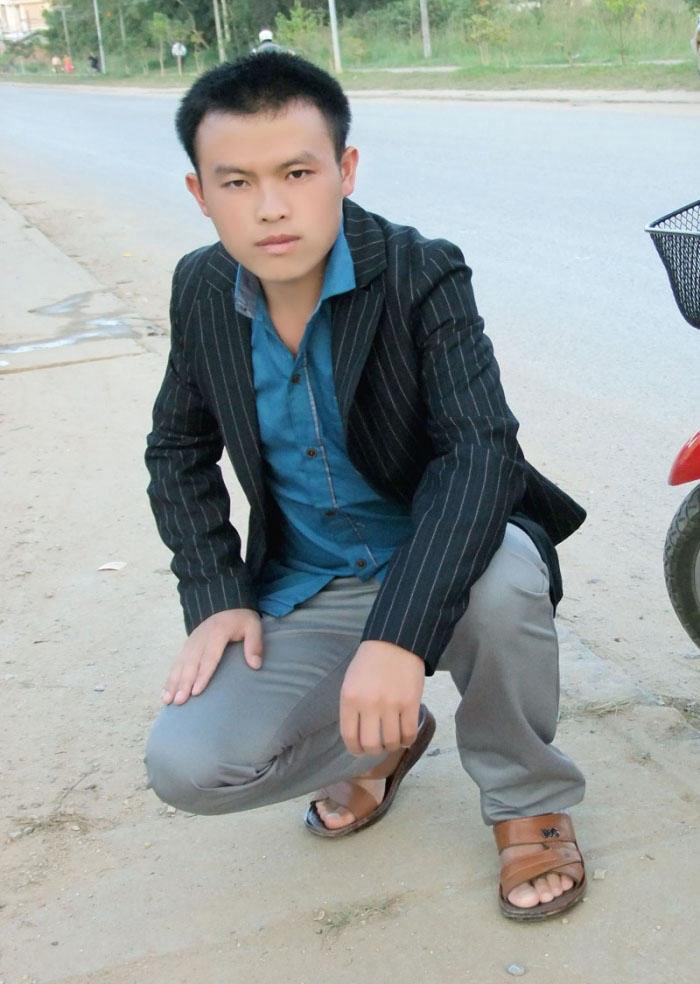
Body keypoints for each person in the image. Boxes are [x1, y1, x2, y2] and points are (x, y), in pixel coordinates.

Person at [144, 52, 588, 920]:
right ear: (200, 193)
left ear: (344, 170)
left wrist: (397, 639)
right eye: (236, 182)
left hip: (444, 556)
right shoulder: (201, 286)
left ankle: (527, 799)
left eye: (297, 173)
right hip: (311, 580)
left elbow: (480, 452)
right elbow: (177, 447)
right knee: (189, 767)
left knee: (506, 583)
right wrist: (216, 594)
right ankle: (383, 742)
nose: (270, 207)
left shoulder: (421, 271)